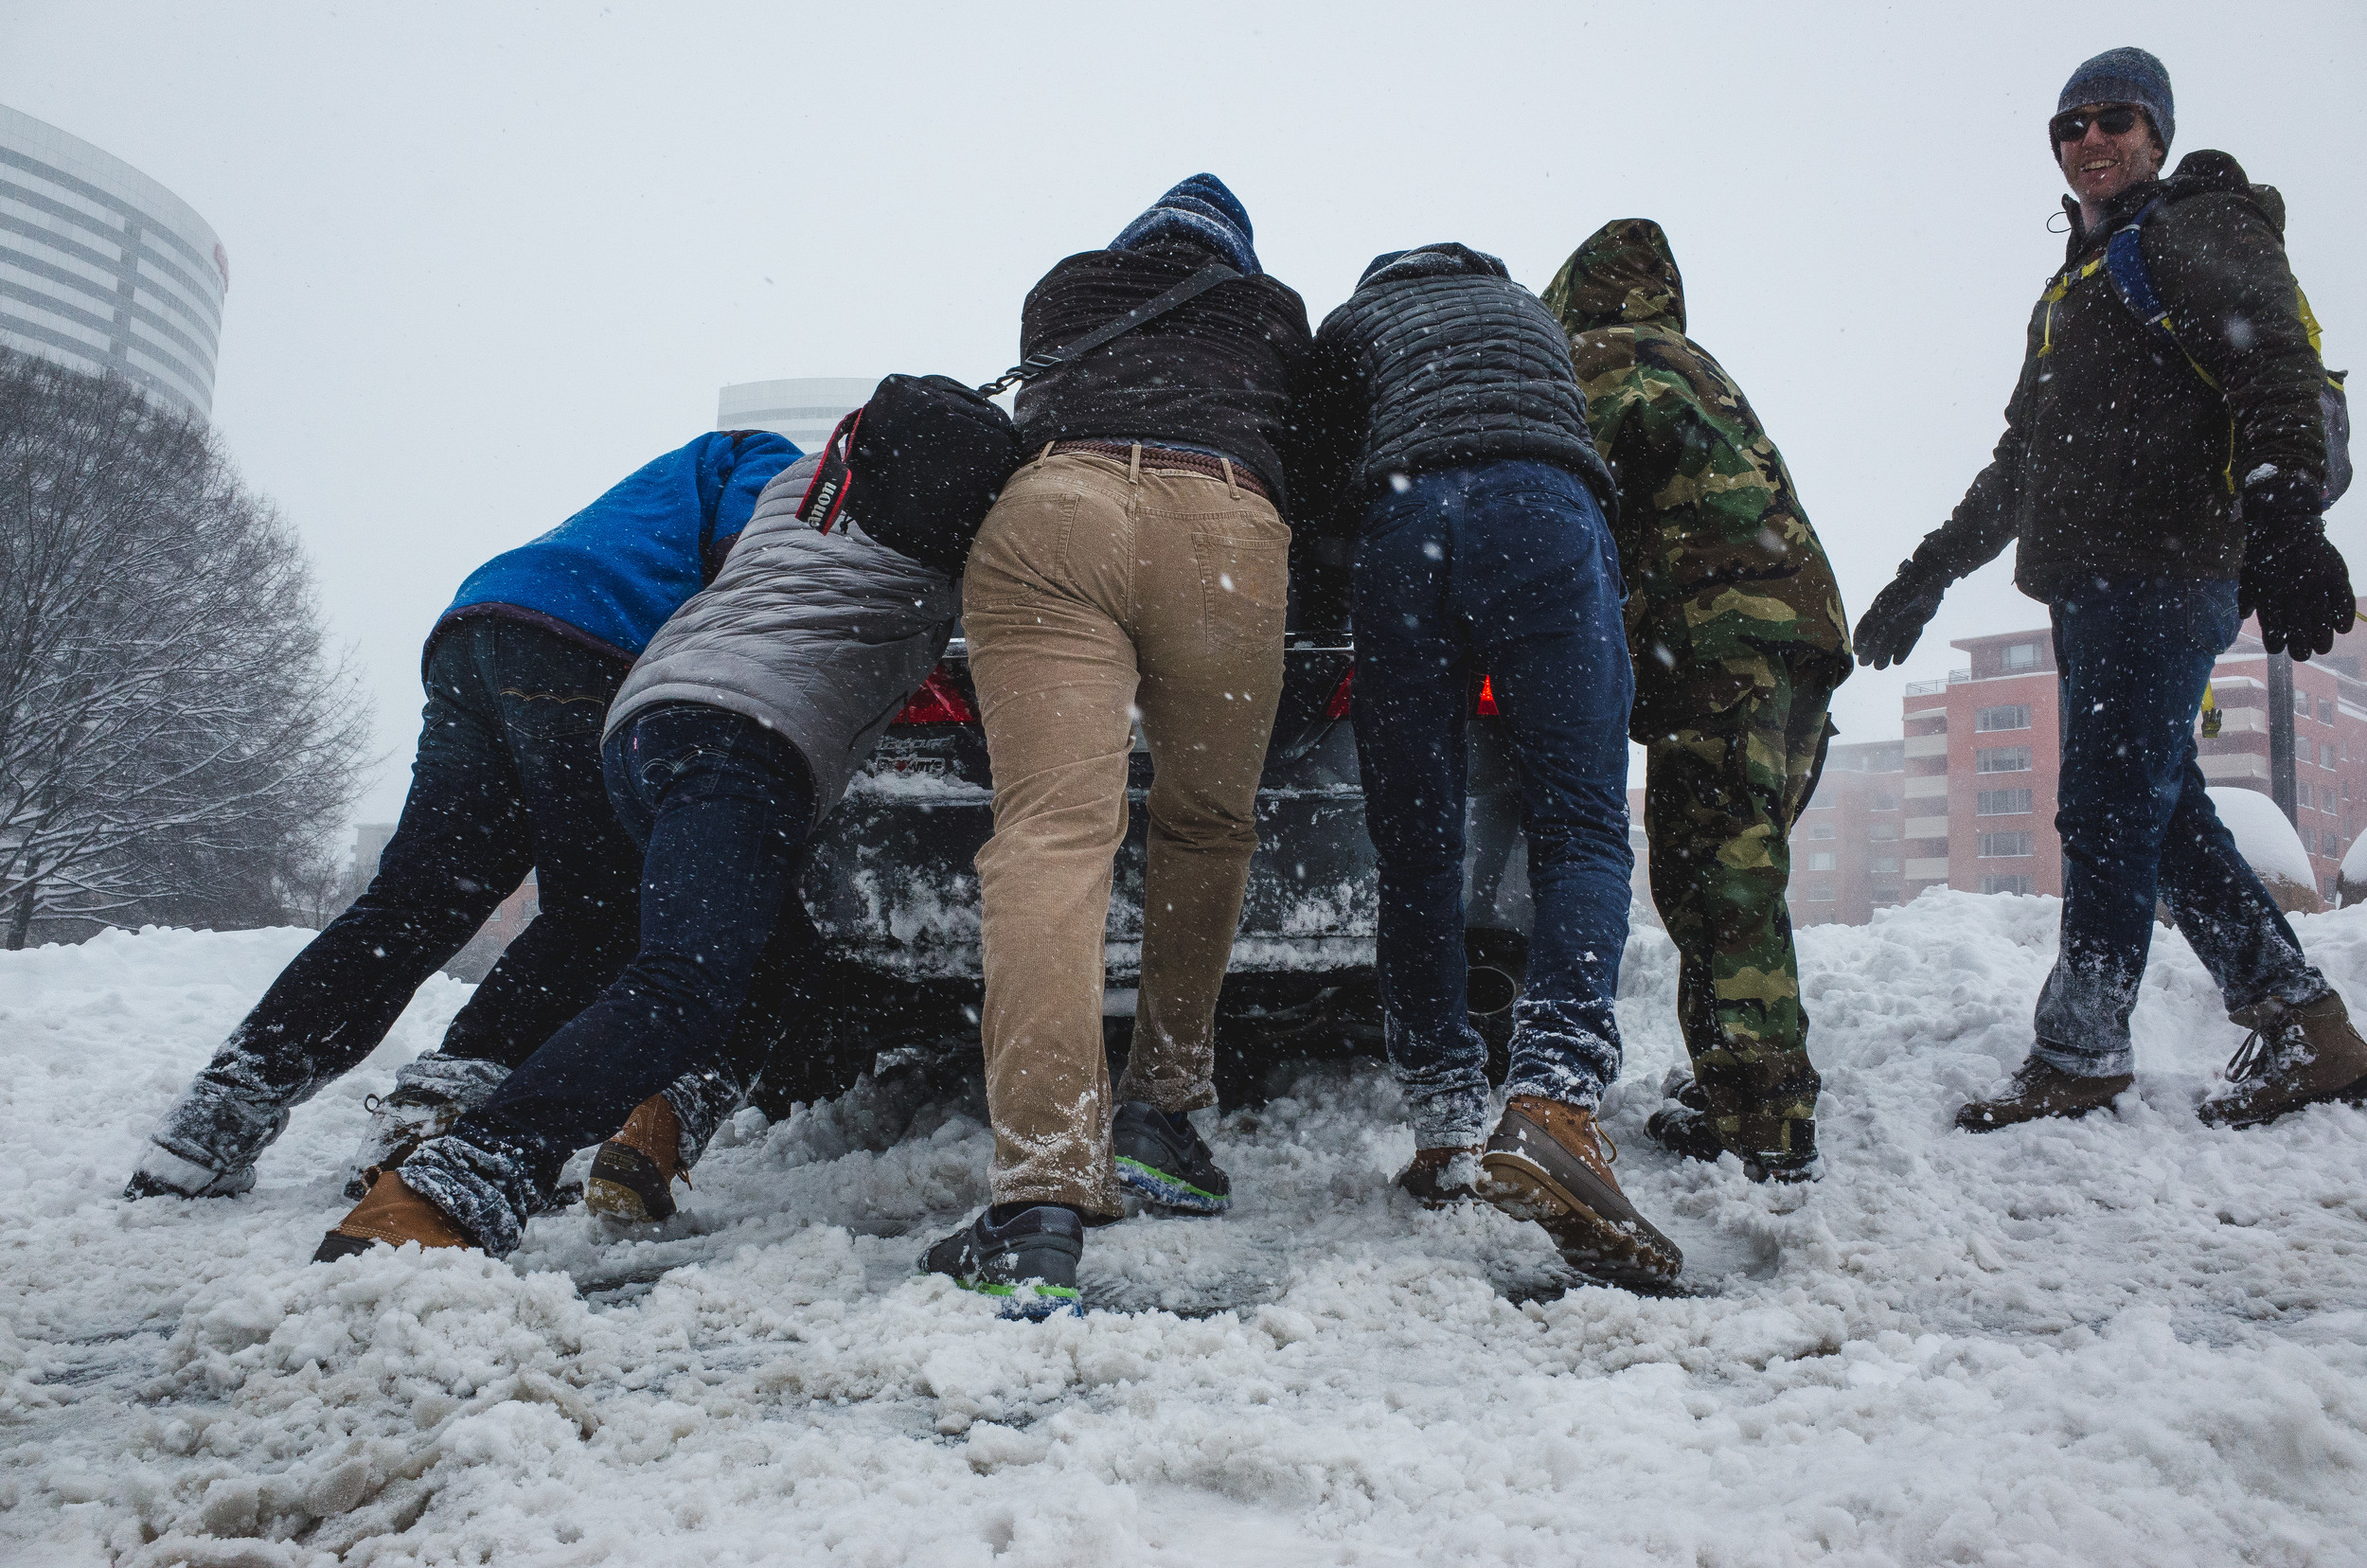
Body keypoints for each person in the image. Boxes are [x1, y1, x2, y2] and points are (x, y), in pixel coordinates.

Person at [1854, 47, 2366, 1131]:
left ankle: (2080, 1052)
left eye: (2113, 119)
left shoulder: (2195, 227)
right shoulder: (2077, 283)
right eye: (2069, 126)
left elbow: (2272, 360)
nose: (2090, 140)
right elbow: (2018, 462)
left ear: (2157, 132)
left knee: (2103, 808)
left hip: (2166, 570)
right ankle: (2302, 1022)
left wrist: (2284, 516)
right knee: (2157, 807)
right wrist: (1923, 577)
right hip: (2092, 585)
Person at [315, 451, 959, 1257]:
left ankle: (658, 1121)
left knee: (764, 948)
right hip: (744, 742)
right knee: (684, 982)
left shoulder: (807, 492)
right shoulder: (950, 528)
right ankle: (456, 1184)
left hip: (641, 722)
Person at [125, 432, 796, 1202]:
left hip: (480, 630)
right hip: (596, 643)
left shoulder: (674, 477)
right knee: (597, 912)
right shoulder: (771, 455)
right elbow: (749, 559)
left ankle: (213, 1121)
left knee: (413, 903)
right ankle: (435, 1108)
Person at [917, 175, 1314, 1317]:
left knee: (1049, 838)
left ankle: (1039, 1197)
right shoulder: (1271, 312)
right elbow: (1319, 450)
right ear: (1234, 254)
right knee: (1205, 822)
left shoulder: (1065, 292)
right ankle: (1161, 1111)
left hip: (1055, 512)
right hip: (1225, 529)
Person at [1298, 241, 1681, 1289]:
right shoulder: (1527, 316)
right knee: (1581, 824)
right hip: (1546, 511)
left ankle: (1445, 1128)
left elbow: (1316, 474)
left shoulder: (1354, 327)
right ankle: (1553, 1098)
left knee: (1415, 845)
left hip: (1402, 524)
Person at [1540, 220, 1852, 1183]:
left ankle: (1765, 1126)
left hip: (1726, 648)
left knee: (1720, 881)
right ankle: (1746, 1085)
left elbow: (1560, 490)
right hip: (1789, 641)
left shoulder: (1604, 361)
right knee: (1731, 870)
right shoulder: (1691, 363)